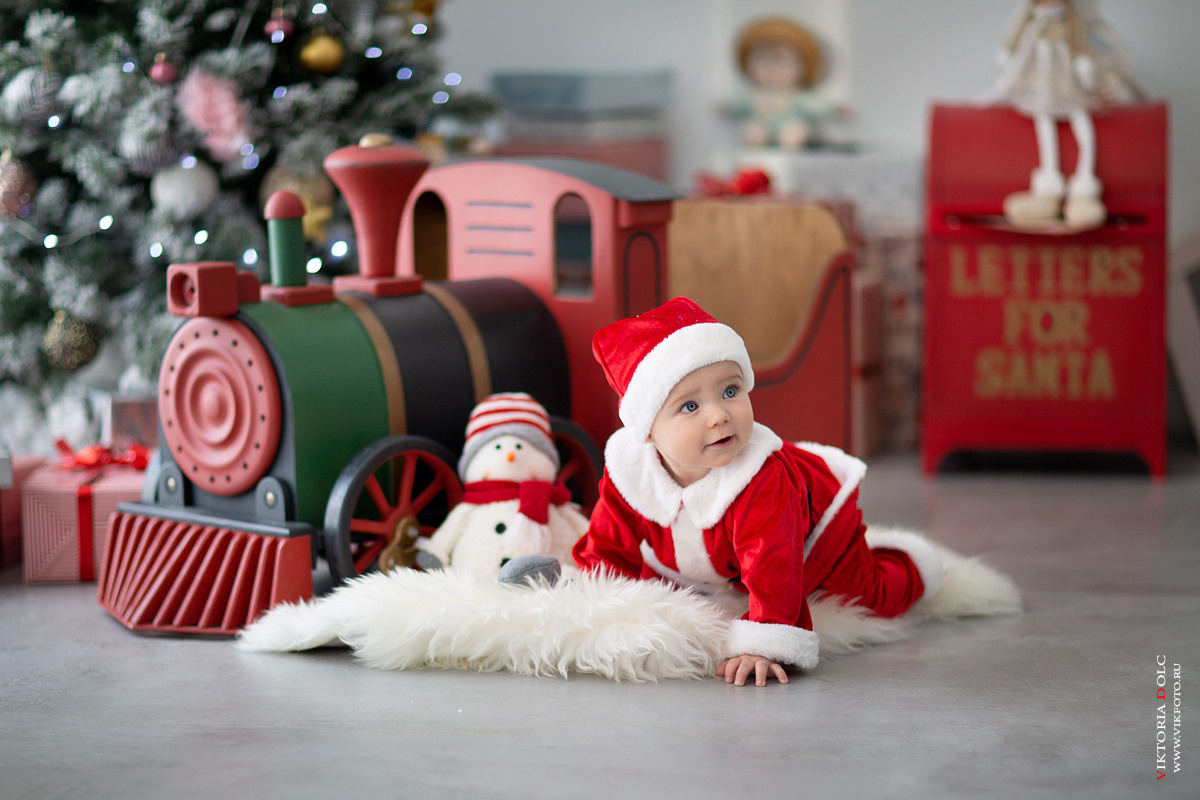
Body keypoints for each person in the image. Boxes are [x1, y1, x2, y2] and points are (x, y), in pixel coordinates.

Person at [572, 297, 945, 687]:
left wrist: (764, 640)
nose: (719, 415)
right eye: (690, 406)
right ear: (648, 430)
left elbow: (774, 564)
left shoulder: (761, 478)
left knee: (867, 597)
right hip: (724, 558)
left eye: (730, 391)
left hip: (814, 533)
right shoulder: (631, 474)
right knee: (662, 579)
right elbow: (608, 549)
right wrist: (595, 603)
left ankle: (912, 562)